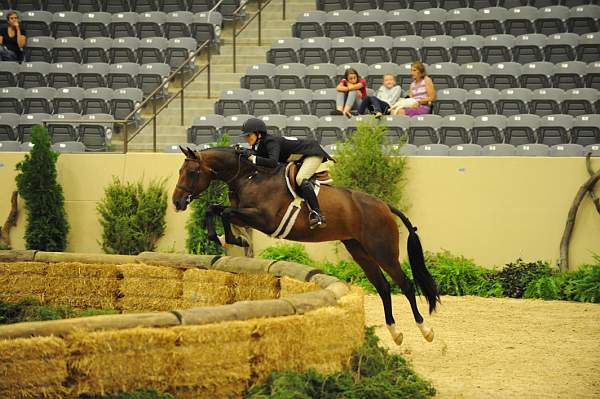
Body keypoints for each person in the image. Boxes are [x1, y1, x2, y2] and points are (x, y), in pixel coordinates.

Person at [241, 118, 334, 230]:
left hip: (311, 154)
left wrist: (253, 158)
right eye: (245, 136)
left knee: (300, 179)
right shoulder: (260, 145)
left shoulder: (271, 141)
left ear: (259, 134)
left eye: (249, 135)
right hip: (299, 158)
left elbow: (273, 162)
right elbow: (258, 156)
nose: (246, 138)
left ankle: (318, 214)